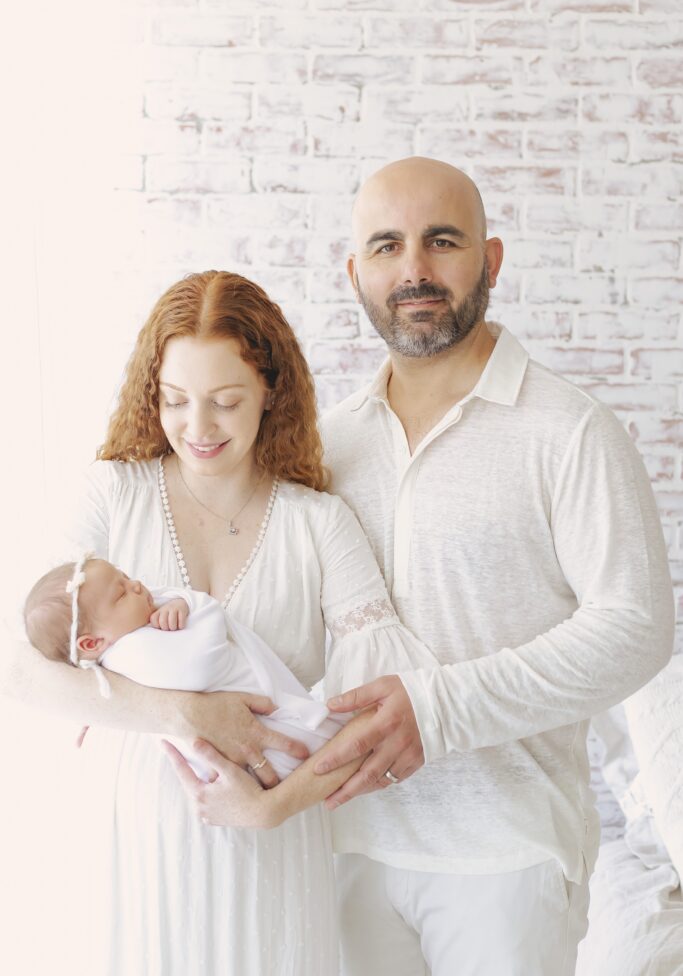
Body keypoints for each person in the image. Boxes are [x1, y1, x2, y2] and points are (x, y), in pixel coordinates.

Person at [177, 159, 675, 976]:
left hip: (505, 855)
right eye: (386, 245)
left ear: (491, 260)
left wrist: (435, 707)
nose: (413, 270)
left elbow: (636, 629)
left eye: (441, 241)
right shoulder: (324, 444)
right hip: (341, 844)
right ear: (354, 272)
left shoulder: (572, 432)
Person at [9, 269, 436, 975]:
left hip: (269, 848)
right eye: (175, 401)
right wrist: (186, 717)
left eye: (225, 402)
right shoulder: (113, 494)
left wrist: (277, 806)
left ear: (270, 392)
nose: (197, 429)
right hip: (129, 847)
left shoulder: (318, 524)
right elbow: (18, 671)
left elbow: (390, 705)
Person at [23, 555, 351, 782]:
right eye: (121, 593)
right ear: (92, 644)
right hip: (261, 732)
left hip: (241, 744)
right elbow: (204, 662)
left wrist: (176, 603)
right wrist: (196, 606)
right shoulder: (133, 650)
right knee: (328, 743)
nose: (137, 584)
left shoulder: (126, 638)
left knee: (332, 747)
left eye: (125, 576)